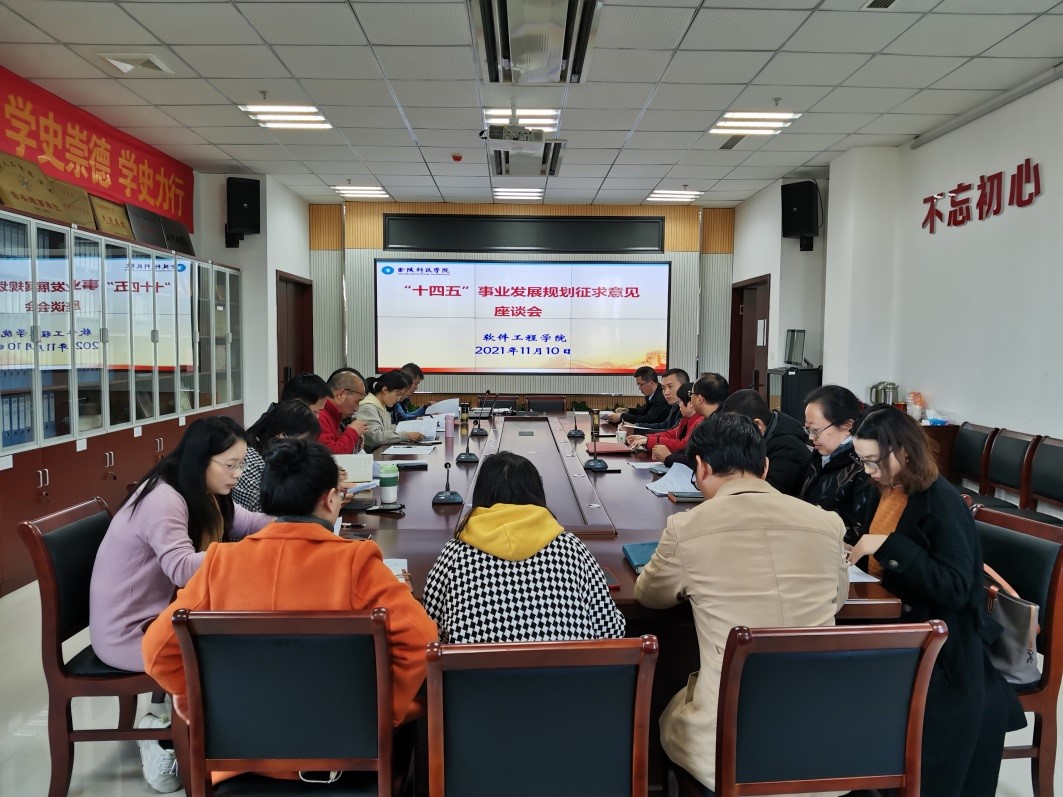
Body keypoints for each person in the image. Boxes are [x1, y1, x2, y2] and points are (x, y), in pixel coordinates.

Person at [142, 438, 437, 787]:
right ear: (330, 499)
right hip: (345, 753)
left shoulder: (220, 562)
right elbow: (420, 640)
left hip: (242, 754)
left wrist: (209, 707)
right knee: (425, 709)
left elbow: (157, 651)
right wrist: (382, 711)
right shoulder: (356, 562)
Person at [635, 414, 848, 794]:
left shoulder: (688, 527)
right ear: (764, 467)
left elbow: (649, 596)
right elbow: (838, 599)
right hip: (824, 744)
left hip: (728, 747)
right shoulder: (825, 522)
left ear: (701, 467)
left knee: (664, 705)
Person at [848, 405, 1025, 797]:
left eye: (873, 461)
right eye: (862, 461)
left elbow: (956, 588)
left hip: (944, 645)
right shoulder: (889, 489)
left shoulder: (940, 501)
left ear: (903, 451)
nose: (868, 471)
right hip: (904, 624)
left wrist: (887, 547)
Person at [90, 416, 272, 674]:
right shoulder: (164, 499)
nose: (238, 473)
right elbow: (181, 569)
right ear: (201, 460)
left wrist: (294, 523)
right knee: (245, 647)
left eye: (241, 464)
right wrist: (249, 553)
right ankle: (200, 702)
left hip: (165, 615)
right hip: (132, 635)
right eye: (230, 465)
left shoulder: (200, 489)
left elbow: (248, 522)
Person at [423, 451, 625, 643]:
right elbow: (610, 630)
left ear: (480, 494)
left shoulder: (455, 554)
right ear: (537, 492)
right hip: (567, 669)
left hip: (473, 670)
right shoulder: (572, 548)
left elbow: (430, 630)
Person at [799, 385, 873, 544]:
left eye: (816, 430)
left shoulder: (864, 467)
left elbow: (857, 533)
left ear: (847, 426)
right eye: (808, 429)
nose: (811, 437)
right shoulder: (822, 453)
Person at [232, 399, 320, 512]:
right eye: (303, 441)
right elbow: (263, 509)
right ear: (282, 436)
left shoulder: (275, 455)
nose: (305, 448)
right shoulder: (250, 460)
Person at [720, 388, 811, 496]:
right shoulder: (771, 429)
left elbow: (768, 496)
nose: (732, 433)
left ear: (758, 424)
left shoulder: (788, 448)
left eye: (737, 427)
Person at [644, 373, 728, 468]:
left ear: (700, 399)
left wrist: (668, 457)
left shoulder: (713, 426)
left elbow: (703, 461)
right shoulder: (717, 420)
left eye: (691, 394)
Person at [631, 383, 703, 464]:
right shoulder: (686, 419)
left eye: (679, 402)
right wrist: (646, 438)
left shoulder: (700, 422)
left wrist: (649, 441)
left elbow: (683, 445)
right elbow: (671, 434)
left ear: (690, 404)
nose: (679, 406)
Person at [355, 371, 426, 452]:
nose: (398, 399)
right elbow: (377, 437)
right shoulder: (367, 407)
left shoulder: (381, 406)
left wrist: (410, 428)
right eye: (397, 394)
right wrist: (406, 435)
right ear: (385, 389)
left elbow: (388, 428)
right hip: (369, 454)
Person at [623, 367, 690, 434]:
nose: (666, 392)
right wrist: (636, 426)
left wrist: (636, 431)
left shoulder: (689, 408)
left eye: (670, 386)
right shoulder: (675, 405)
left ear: (684, 386)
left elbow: (673, 434)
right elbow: (664, 425)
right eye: (663, 388)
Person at [321, 368, 369, 453]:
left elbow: (339, 445)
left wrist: (355, 439)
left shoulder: (336, 415)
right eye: (357, 401)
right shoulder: (319, 415)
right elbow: (331, 455)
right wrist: (353, 432)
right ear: (341, 394)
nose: (356, 409)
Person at [603, 366, 669, 426]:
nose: (639, 388)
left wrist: (622, 416)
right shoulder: (652, 394)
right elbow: (643, 412)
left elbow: (648, 419)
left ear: (651, 383)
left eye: (640, 385)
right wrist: (627, 411)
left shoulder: (662, 397)